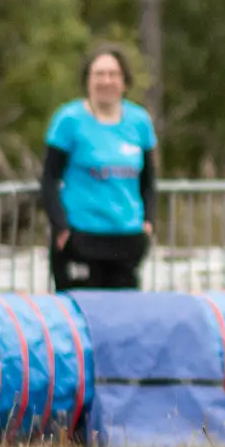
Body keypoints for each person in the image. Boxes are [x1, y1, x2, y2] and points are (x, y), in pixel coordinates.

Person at [41, 45, 157, 291]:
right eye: (99, 74)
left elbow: (148, 180)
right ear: (88, 80)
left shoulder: (139, 122)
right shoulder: (69, 120)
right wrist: (60, 226)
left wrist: (148, 221)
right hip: (81, 236)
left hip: (126, 238)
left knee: (124, 319)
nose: (106, 81)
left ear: (124, 81)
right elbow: (49, 179)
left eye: (113, 74)